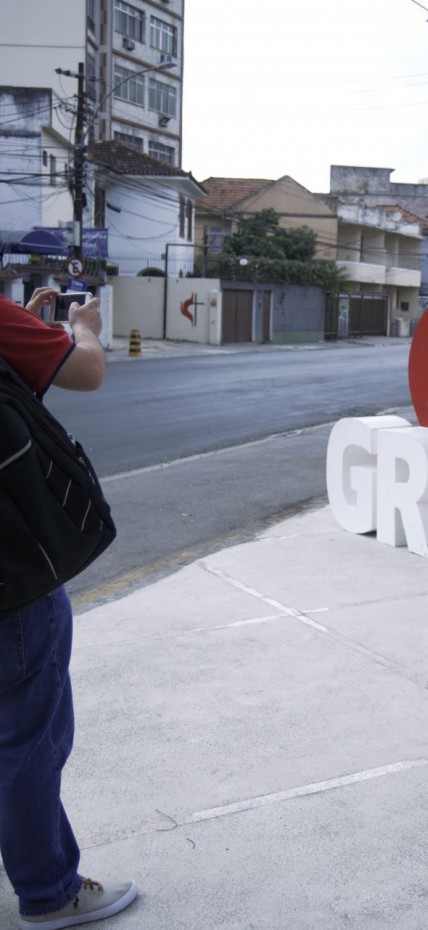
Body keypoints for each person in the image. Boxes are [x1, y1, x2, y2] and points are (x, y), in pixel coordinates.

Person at [0, 287, 137, 929]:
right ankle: (49, 890)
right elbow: (86, 371)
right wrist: (82, 328)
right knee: (28, 738)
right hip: (11, 577)